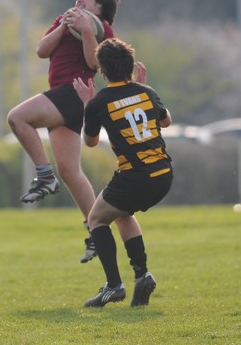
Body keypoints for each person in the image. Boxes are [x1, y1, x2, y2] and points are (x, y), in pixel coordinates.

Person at [7, 0, 120, 263]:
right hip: (62, 94)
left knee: (17, 118)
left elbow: (94, 64)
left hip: (73, 93)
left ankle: (44, 176)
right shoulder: (64, 20)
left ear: (99, 6)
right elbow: (42, 50)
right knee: (70, 172)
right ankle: (97, 230)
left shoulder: (103, 28)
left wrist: (85, 30)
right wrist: (63, 27)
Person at [73, 37, 173, 307]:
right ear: (131, 66)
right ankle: (142, 277)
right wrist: (143, 87)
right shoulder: (147, 91)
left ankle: (114, 286)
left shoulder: (99, 102)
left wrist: (87, 104)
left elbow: (90, 143)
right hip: (163, 174)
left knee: (96, 218)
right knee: (121, 213)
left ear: (102, 71)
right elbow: (166, 120)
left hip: (135, 176)